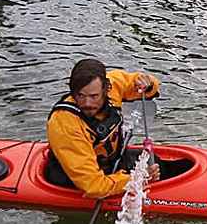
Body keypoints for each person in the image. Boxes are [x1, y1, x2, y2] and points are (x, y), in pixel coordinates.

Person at [46, 58, 161, 198]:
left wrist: (147, 83)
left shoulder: (113, 85)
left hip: (113, 163)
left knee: (158, 161)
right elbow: (95, 186)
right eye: (80, 95)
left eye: (94, 96)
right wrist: (138, 178)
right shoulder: (65, 124)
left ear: (106, 89)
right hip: (76, 181)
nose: (87, 103)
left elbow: (145, 86)